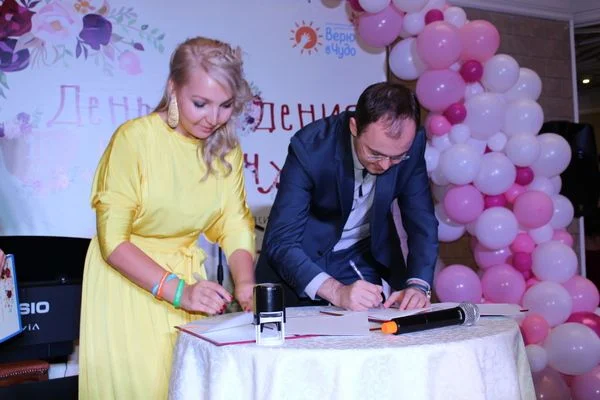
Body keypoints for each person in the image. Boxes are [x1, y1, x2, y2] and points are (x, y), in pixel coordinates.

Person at [79, 37, 256, 399]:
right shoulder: (134, 139)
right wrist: (179, 292)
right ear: (173, 88)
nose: (213, 119)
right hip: (128, 281)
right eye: (200, 104)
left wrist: (245, 283)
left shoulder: (227, 150)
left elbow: (234, 223)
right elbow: (113, 241)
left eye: (225, 106)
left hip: (188, 284)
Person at [255, 82, 438, 311]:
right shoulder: (311, 148)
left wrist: (418, 286)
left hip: (360, 257)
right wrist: (336, 291)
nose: (385, 165)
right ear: (354, 126)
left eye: (396, 157)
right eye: (375, 154)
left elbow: (422, 221)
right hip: (301, 264)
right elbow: (282, 241)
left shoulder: (413, 144)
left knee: (380, 327)